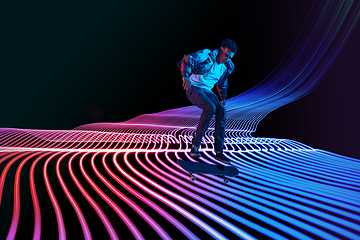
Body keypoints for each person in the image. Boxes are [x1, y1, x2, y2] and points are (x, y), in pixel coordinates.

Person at [177, 38, 237, 164]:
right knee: (210, 107)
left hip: (207, 91)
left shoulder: (226, 66)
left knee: (221, 112)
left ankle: (219, 152)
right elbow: (187, 59)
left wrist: (223, 97)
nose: (226, 59)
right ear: (221, 49)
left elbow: (222, 83)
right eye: (225, 55)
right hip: (193, 88)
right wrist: (185, 76)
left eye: (229, 57)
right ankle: (195, 147)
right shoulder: (206, 55)